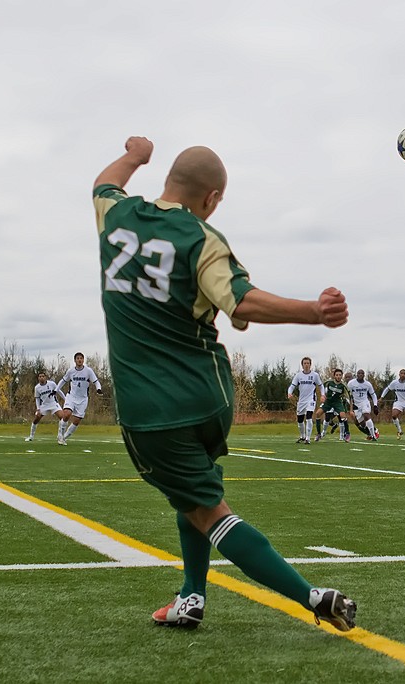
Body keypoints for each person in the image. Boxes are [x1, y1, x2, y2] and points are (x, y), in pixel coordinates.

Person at [92, 136, 356, 632]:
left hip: (154, 409)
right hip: (209, 394)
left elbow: (105, 183)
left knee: (208, 510)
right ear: (212, 198)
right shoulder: (203, 238)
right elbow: (240, 301)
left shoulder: (114, 214)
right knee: (190, 493)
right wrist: (307, 311)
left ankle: (313, 596)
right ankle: (191, 595)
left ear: (169, 179)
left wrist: (134, 154)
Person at [55, 352, 103, 446]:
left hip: (83, 399)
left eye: (81, 358)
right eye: (78, 358)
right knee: (67, 414)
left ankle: (64, 437)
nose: (79, 360)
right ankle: (60, 435)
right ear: (75, 360)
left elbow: (96, 381)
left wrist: (99, 389)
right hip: (71, 397)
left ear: (83, 360)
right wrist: (56, 390)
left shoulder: (88, 371)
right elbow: (63, 380)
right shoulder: (71, 371)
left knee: (76, 421)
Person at [287, 357, 325, 444]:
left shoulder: (315, 375)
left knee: (308, 417)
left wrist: (322, 395)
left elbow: (321, 386)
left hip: (311, 399)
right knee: (300, 420)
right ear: (302, 365)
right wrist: (289, 393)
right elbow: (292, 386)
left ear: (310, 364)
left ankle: (308, 438)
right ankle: (302, 436)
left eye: (308, 363)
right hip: (301, 401)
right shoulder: (298, 375)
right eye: (305, 363)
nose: (306, 365)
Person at [25, 371, 69, 443]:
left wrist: (66, 400)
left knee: (63, 417)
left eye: (43, 376)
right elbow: (37, 399)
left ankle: (60, 435)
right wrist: (38, 409)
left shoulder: (52, 384)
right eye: (40, 376)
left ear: (45, 377)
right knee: (36, 419)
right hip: (44, 405)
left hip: (53, 403)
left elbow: (59, 391)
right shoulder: (37, 388)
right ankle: (31, 436)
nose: (42, 378)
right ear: (38, 378)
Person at [315, 368, 351, 442]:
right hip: (328, 402)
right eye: (337, 375)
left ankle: (347, 434)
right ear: (334, 376)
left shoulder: (343, 386)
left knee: (343, 416)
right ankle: (318, 434)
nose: (338, 376)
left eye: (340, 375)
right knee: (318, 413)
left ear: (342, 376)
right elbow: (321, 387)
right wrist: (322, 395)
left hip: (337, 402)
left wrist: (351, 408)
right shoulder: (329, 382)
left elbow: (349, 396)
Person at [346, 369, 380, 440]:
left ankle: (373, 435)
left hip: (365, 402)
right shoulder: (351, 383)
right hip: (356, 405)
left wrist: (375, 405)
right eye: (359, 373)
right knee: (362, 424)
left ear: (364, 375)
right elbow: (348, 395)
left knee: (366, 415)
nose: (360, 374)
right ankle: (372, 431)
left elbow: (373, 395)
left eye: (362, 373)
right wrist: (351, 406)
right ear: (357, 375)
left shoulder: (367, 384)